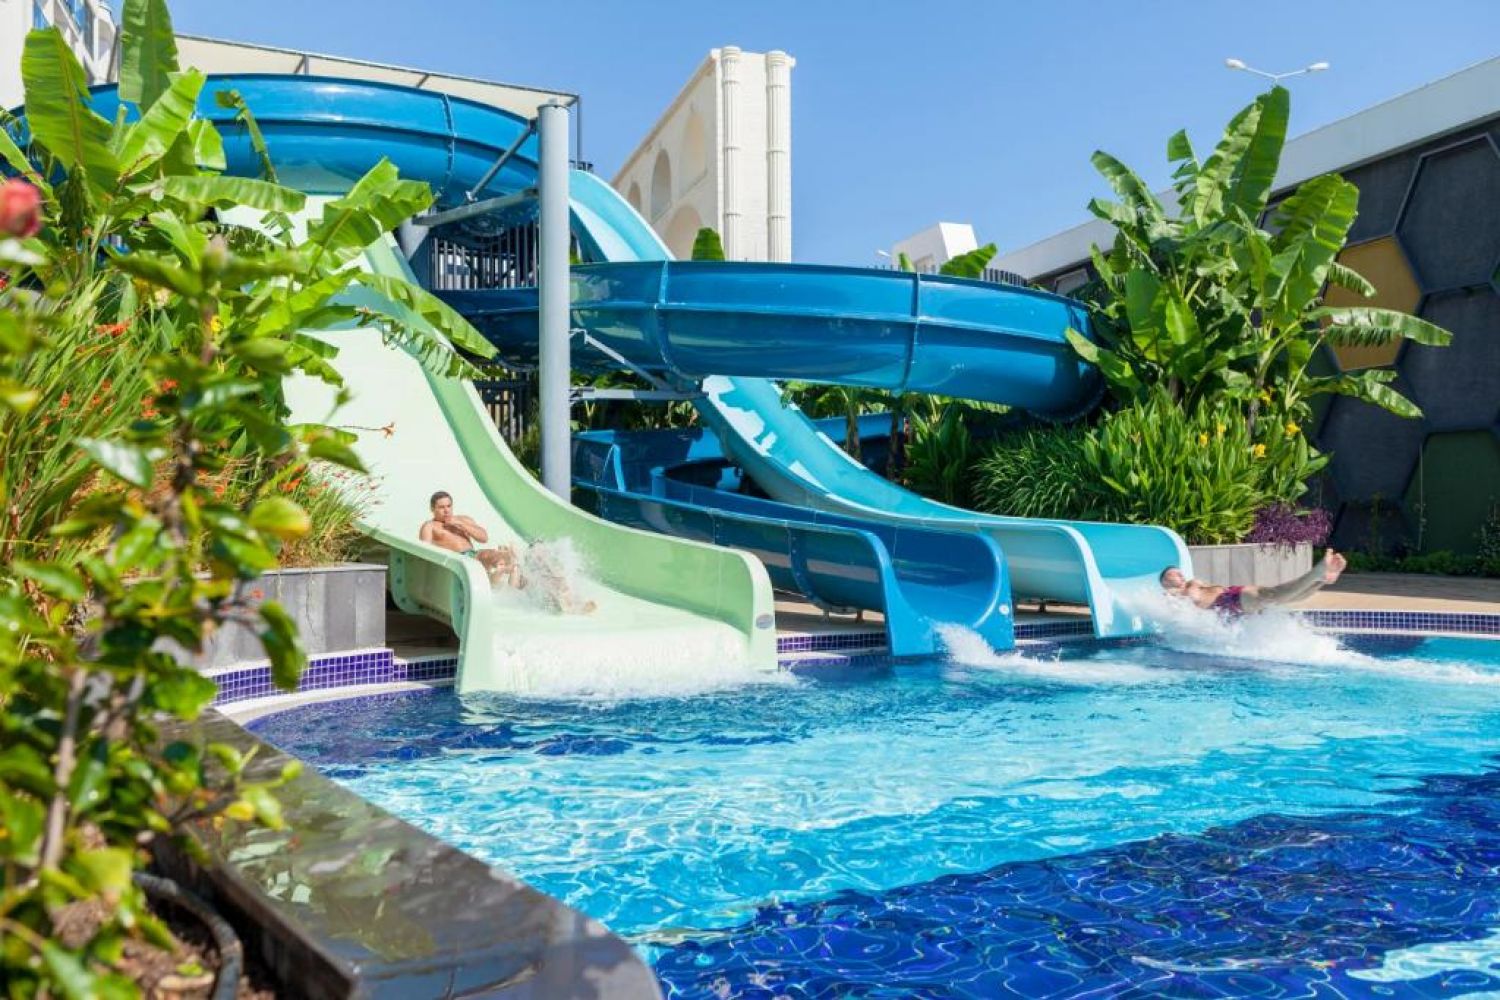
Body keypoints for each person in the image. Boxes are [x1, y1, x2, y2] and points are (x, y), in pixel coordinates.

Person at [418, 492, 596, 614]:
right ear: (432, 509)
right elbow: (424, 551)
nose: (447, 510)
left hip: (476, 554)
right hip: (463, 560)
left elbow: (483, 537)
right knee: (496, 557)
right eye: (441, 507)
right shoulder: (430, 526)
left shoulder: (462, 519)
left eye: (449, 506)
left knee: (529, 559)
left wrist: (460, 524)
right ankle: (515, 570)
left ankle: (565, 596)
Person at [1160, 550, 1347, 618]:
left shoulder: (1193, 583)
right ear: (1164, 581)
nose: (1180, 574)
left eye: (1179, 571)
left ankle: (1319, 575)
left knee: (1278, 595)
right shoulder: (1171, 596)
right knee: (1284, 597)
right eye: (1173, 573)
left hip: (1231, 598)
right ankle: (1320, 578)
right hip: (1229, 607)